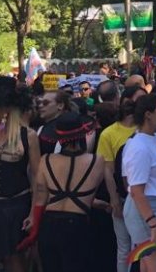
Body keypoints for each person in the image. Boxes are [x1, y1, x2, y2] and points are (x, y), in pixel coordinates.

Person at [0, 77, 41, 272]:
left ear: (4, 110)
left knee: (16, 263)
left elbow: (37, 177)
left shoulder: (27, 136)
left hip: (17, 206)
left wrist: (33, 213)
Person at [24, 112, 105, 272]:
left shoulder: (46, 160)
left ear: (58, 138)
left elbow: (41, 197)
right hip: (77, 224)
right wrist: (103, 204)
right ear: (82, 134)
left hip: (49, 224)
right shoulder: (96, 161)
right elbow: (88, 195)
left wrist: (34, 227)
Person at [122, 94, 156, 272]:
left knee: (152, 265)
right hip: (146, 210)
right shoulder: (138, 147)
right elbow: (137, 190)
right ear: (148, 114)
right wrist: (152, 223)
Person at [97, 85, 145, 272]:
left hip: (146, 198)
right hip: (124, 198)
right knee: (125, 247)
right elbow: (107, 170)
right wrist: (114, 199)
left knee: (141, 247)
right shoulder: (109, 133)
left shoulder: (147, 130)